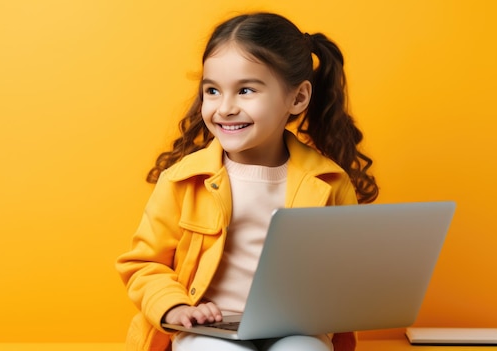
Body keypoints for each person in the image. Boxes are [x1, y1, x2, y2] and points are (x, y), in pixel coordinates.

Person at [116, 12, 378, 351]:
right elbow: (143, 264)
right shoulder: (183, 180)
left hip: (295, 328)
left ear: (297, 98)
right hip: (207, 327)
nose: (224, 108)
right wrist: (176, 307)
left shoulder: (328, 181)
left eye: (245, 90)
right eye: (212, 90)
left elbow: (346, 271)